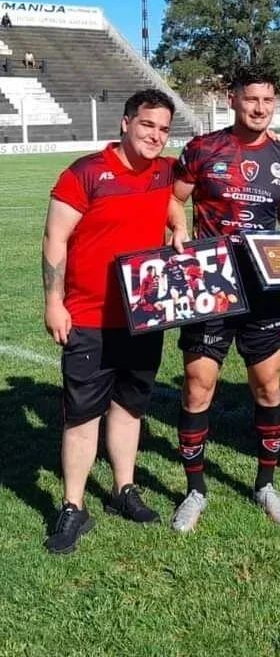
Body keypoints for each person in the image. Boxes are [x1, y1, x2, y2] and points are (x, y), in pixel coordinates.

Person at [167, 64, 280, 531]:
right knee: (198, 388)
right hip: (210, 283)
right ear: (233, 99)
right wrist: (178, 225)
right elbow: (175, 197)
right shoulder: (204, 148)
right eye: (251, 99)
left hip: (261, 287)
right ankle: (195, 490)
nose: (260, 108)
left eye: (268, 100)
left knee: (268, 387)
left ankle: (265, 484)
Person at [41, 89, 176, 554]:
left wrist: (178, 226)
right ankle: (73, 506)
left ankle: (123, 488)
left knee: (131, 408)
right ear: (125, 123)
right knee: (81, 416)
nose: (155, 136)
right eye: (147, 125)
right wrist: (54, 301)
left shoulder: (164, 170)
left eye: (163, 128)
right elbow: (55, 238)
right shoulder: (85, 173)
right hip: (90, 315)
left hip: (144, 314)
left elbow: (174, 204)